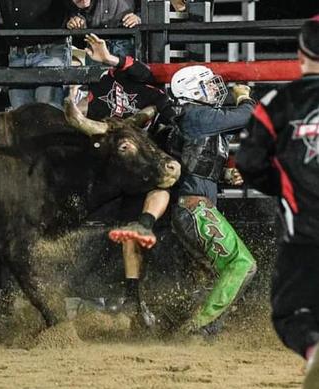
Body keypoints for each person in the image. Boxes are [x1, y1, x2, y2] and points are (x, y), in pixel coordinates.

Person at [236, 15, 319, 389]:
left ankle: (314, 352)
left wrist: (281, 185)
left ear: (302, 53)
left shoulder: (280, 104)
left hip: (304, 232)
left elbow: (248, 163)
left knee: (292, 315)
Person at [78, 33, 177, 325]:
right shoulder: (100, 87)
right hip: (114, 177)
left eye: (117, 61)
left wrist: (111, 60)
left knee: (136, 226)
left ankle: (136, 299)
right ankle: (130, 300)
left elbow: (143, 72)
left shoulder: (153, 91)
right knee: (124, 233)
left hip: (145, 175)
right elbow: (85, 117)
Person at [162, 65, 257, 335]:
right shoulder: (196, 116)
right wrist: (244, 97)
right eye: (208, 85)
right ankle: (199, 329)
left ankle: (191, 329)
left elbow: (195, 161)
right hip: (194, 209)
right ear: (193, 91)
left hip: (193, 208)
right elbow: (250, 115)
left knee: (210, 276)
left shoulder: (194, 118)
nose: (216, 90)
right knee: (242, 265)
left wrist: (223, 173)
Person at [0, 0, 76, 109]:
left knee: (47, 111)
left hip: (50, 49)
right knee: (21, 116)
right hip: (18, 53)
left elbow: (78, 4)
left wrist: (76, 15)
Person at [66, 0, 141, 58]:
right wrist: (77, 22)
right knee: (95, 76)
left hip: (125, 40)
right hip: (95, 43)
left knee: (126, 75)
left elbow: (147, 5)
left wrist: (138, 17)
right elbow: (79, 9)